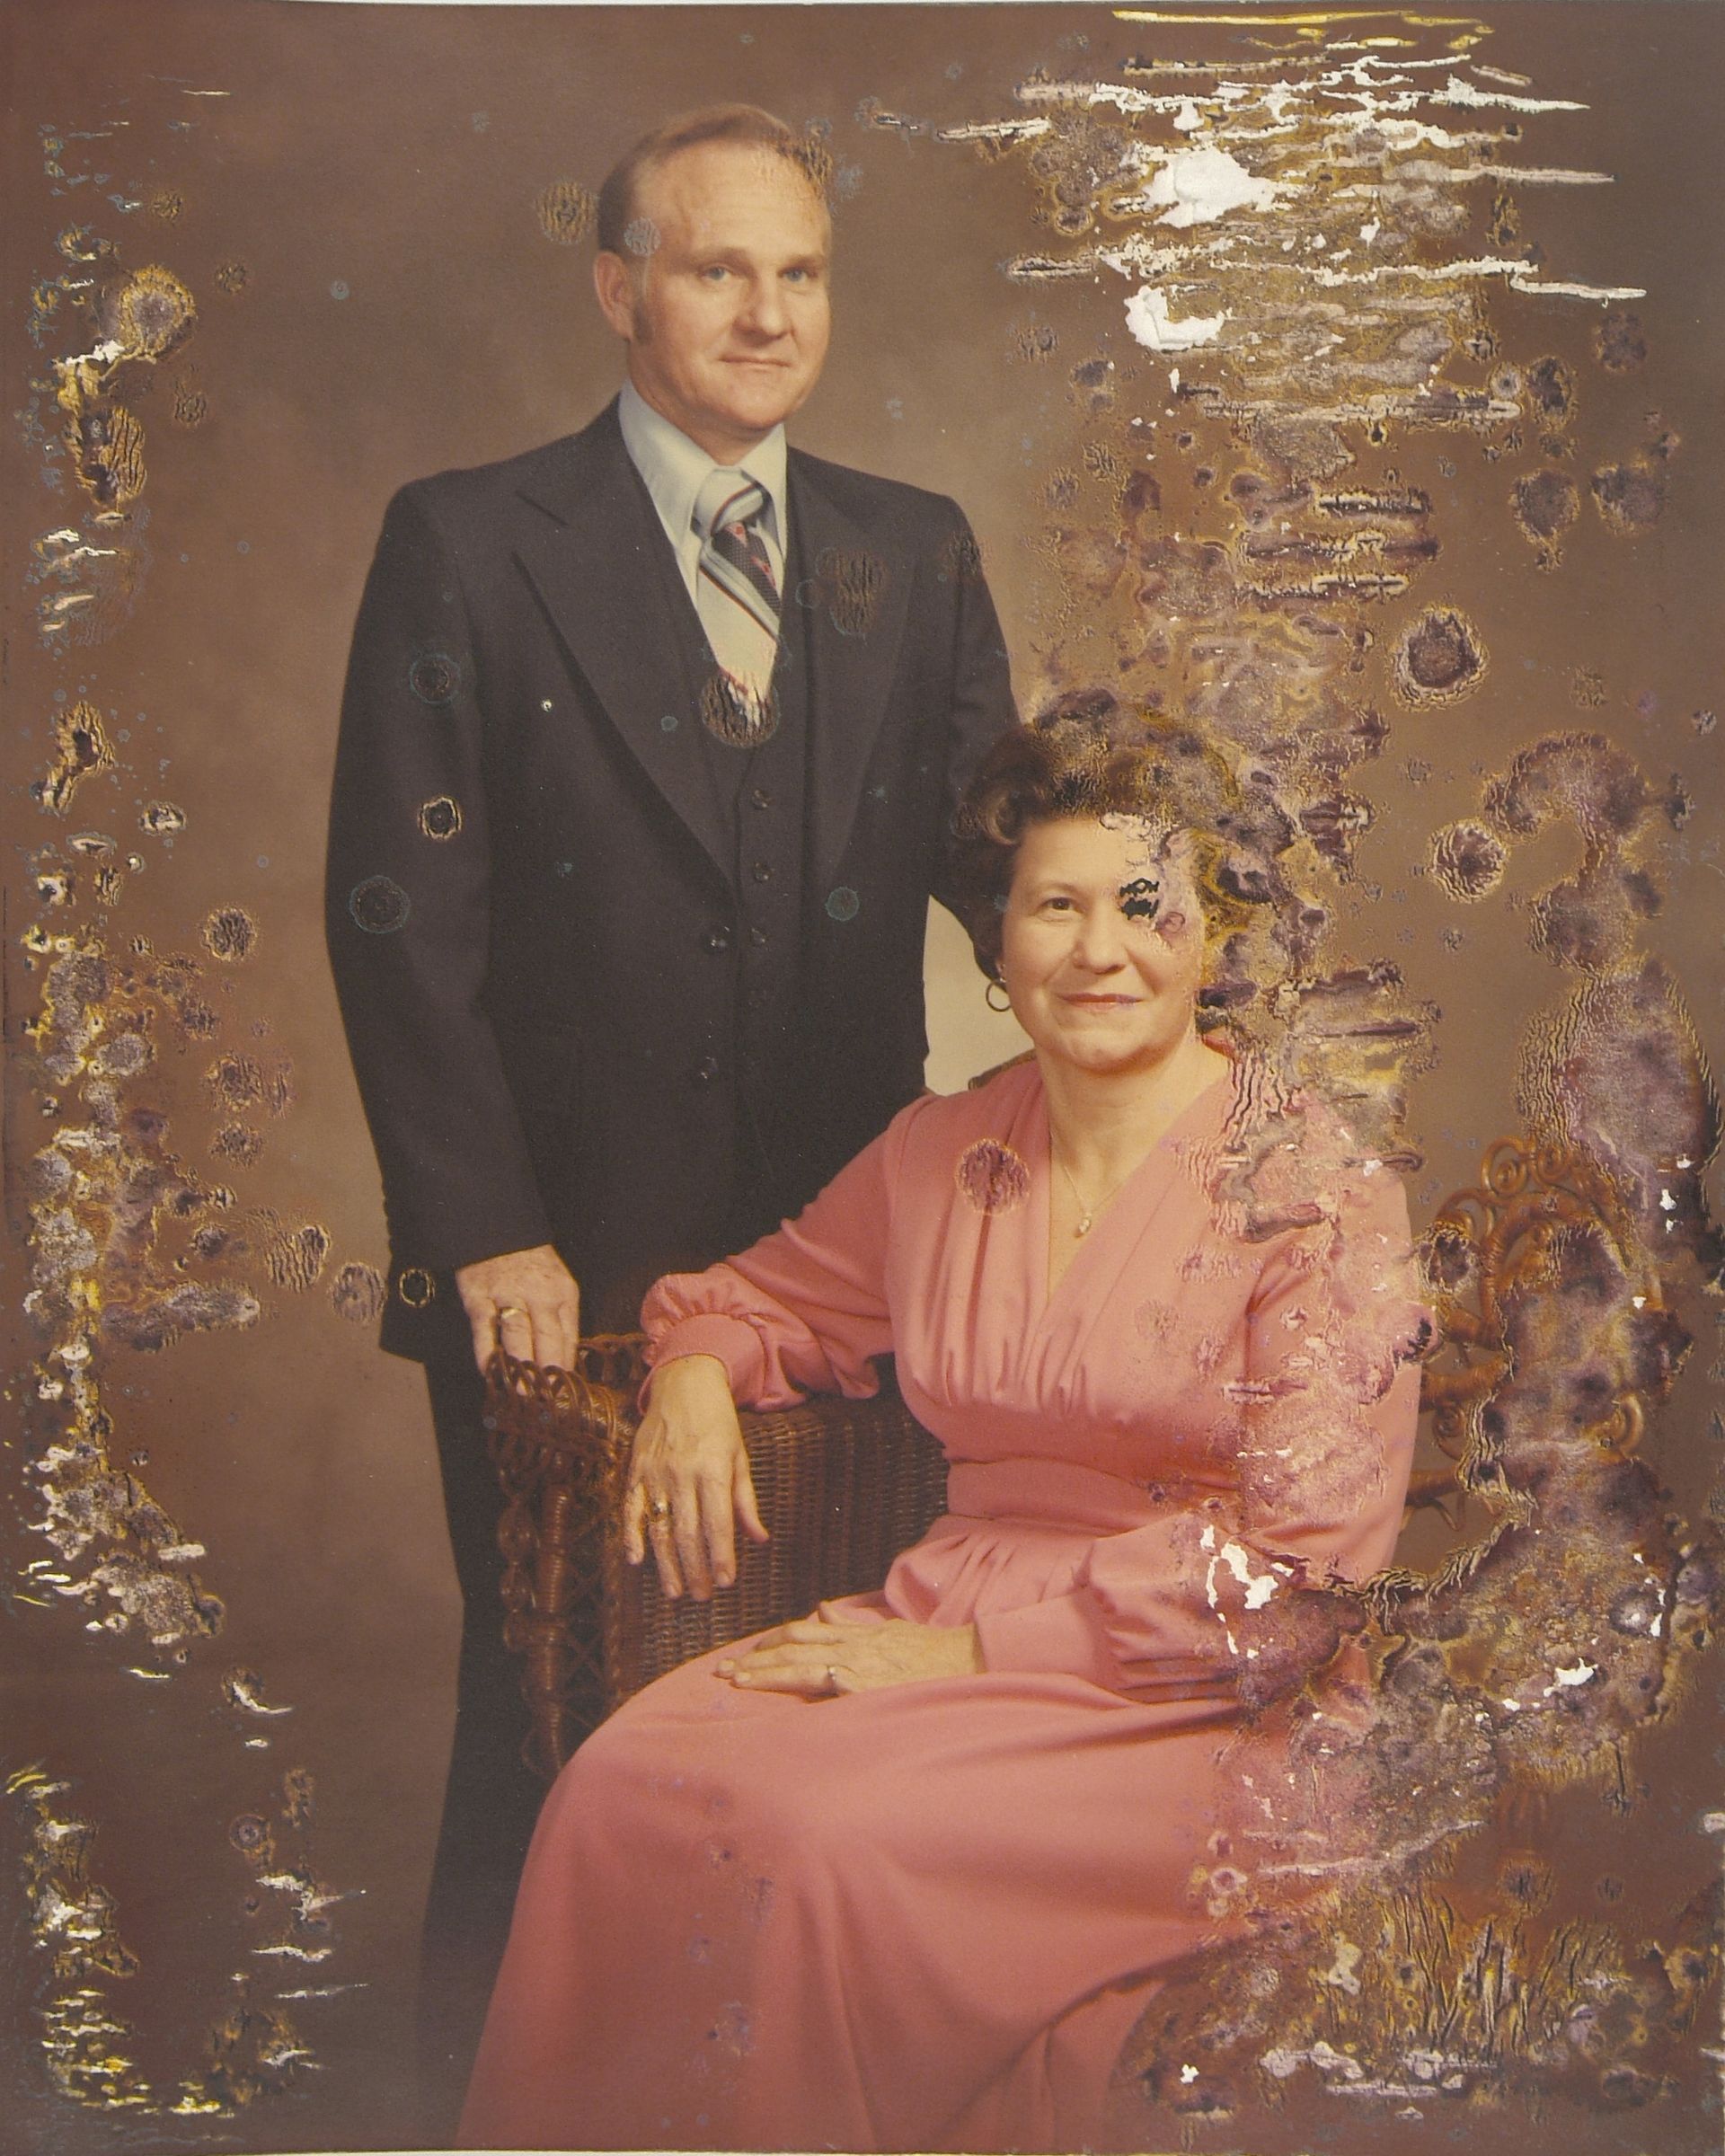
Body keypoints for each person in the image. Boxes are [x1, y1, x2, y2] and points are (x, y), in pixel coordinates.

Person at [457, 703, 1428, 2154]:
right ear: (1000, 946)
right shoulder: (941, 1152)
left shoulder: (1320, 1188)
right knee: (621, 1785)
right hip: (933, 1613)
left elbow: (1302, 1578)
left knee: (820, 1848)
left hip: (1208, 1704)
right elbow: (748, 1300)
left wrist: (981, 1652)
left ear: (1215, 932)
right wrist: (695, 1377)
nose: (1101, 950)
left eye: (1148, 903)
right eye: (1056, 906)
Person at [323, 104, 1016, 2128]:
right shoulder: (468, 540)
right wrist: (481, 1230)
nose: (764, 311)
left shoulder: (915, 550)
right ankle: (484, 2106)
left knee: (818, 1729)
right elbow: (399, 920)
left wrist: (1177, 983)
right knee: (554, 1722)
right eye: (717, 268)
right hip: (562, 1272)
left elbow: (1021, 878)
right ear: (620, 288)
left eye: (798, 272)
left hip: (836, 1270)